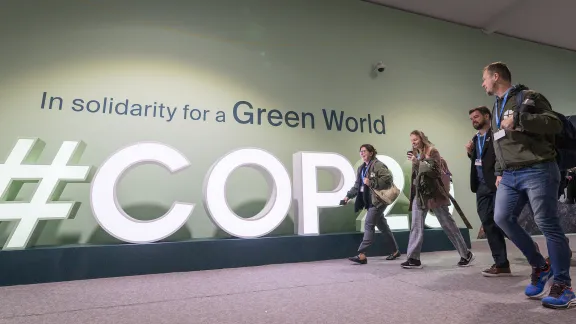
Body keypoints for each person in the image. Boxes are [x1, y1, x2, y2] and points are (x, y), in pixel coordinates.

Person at [481, 61, 574, 309]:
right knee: (501, 218)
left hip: (538, 168)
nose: (483, 84)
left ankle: (564, 286)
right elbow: (502, 142)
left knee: (547, 224)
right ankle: (540, 265)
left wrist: (521, 118)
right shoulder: (497, 105)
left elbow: (554, 124)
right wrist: (500, 170)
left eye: (484, 79)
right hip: (510, 175)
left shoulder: (529, 96)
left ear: (496, 76)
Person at [401, 130, 474, 269]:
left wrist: (417, 162)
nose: (413, 142)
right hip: (420, 193)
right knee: (416, 226)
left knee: (448, 224)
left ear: (422, 138)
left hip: (434, 193)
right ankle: (413, 259)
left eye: (415, 139)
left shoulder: (432, 151)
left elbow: (435, 171)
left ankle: (466, 254)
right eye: (411, 140)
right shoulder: (416, 152)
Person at [466, 106, 511, 276]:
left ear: (487, 116)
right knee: (488, 223)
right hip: (481, 187)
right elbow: (480, 161)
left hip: (498, 184)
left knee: (505, 222)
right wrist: (470, 153)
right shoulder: (475, 138)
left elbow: (502, 156)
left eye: (476, 116)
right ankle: (501, 264)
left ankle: (530, 248)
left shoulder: (497, 134)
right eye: (471, 118)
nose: (474, 120)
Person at [345, 144, 401, 264]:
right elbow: (357, 186)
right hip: (369, 201)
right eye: (361, 151)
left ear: (371, 153)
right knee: (383, 227)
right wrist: (348, 196)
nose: (362, 153)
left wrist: (371, 182)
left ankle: (362, 254)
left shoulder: (378, 165)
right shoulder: (361, 168)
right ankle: (395, 251)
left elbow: (388, 179)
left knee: (368, 225)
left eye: (364, 151)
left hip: (378, 201)